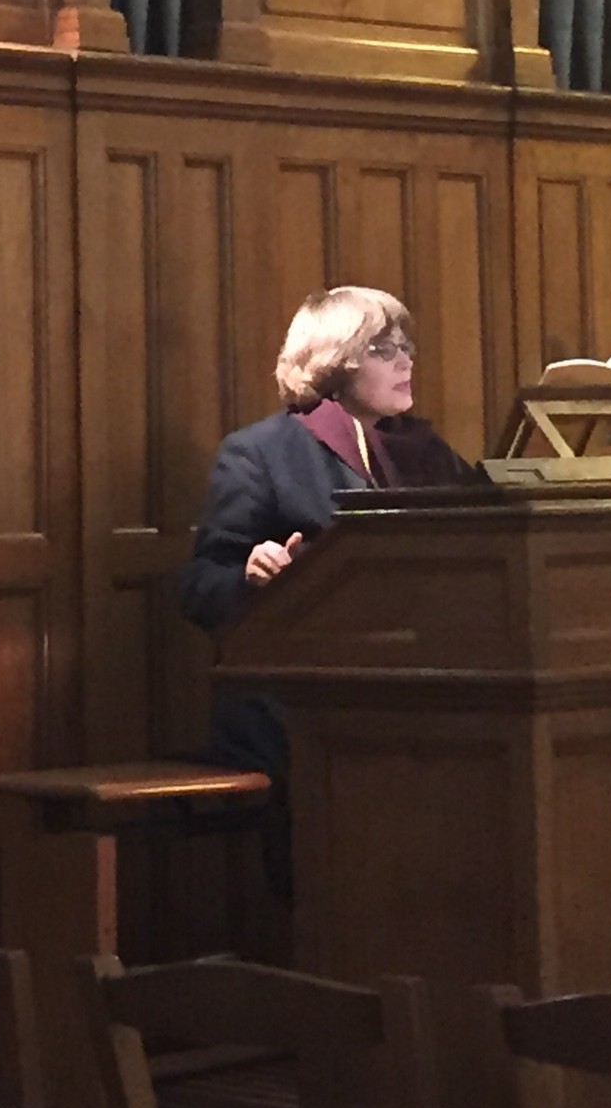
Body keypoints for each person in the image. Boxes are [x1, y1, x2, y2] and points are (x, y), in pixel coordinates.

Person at [178, 286, 480, 882]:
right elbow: (200, 586)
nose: (405, 361)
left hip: (414, 691)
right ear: (333, 361)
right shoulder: (262, 453)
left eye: (406, 346)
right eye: (382, 349)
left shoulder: (425, 452)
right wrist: (253, 572)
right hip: (299, 708)